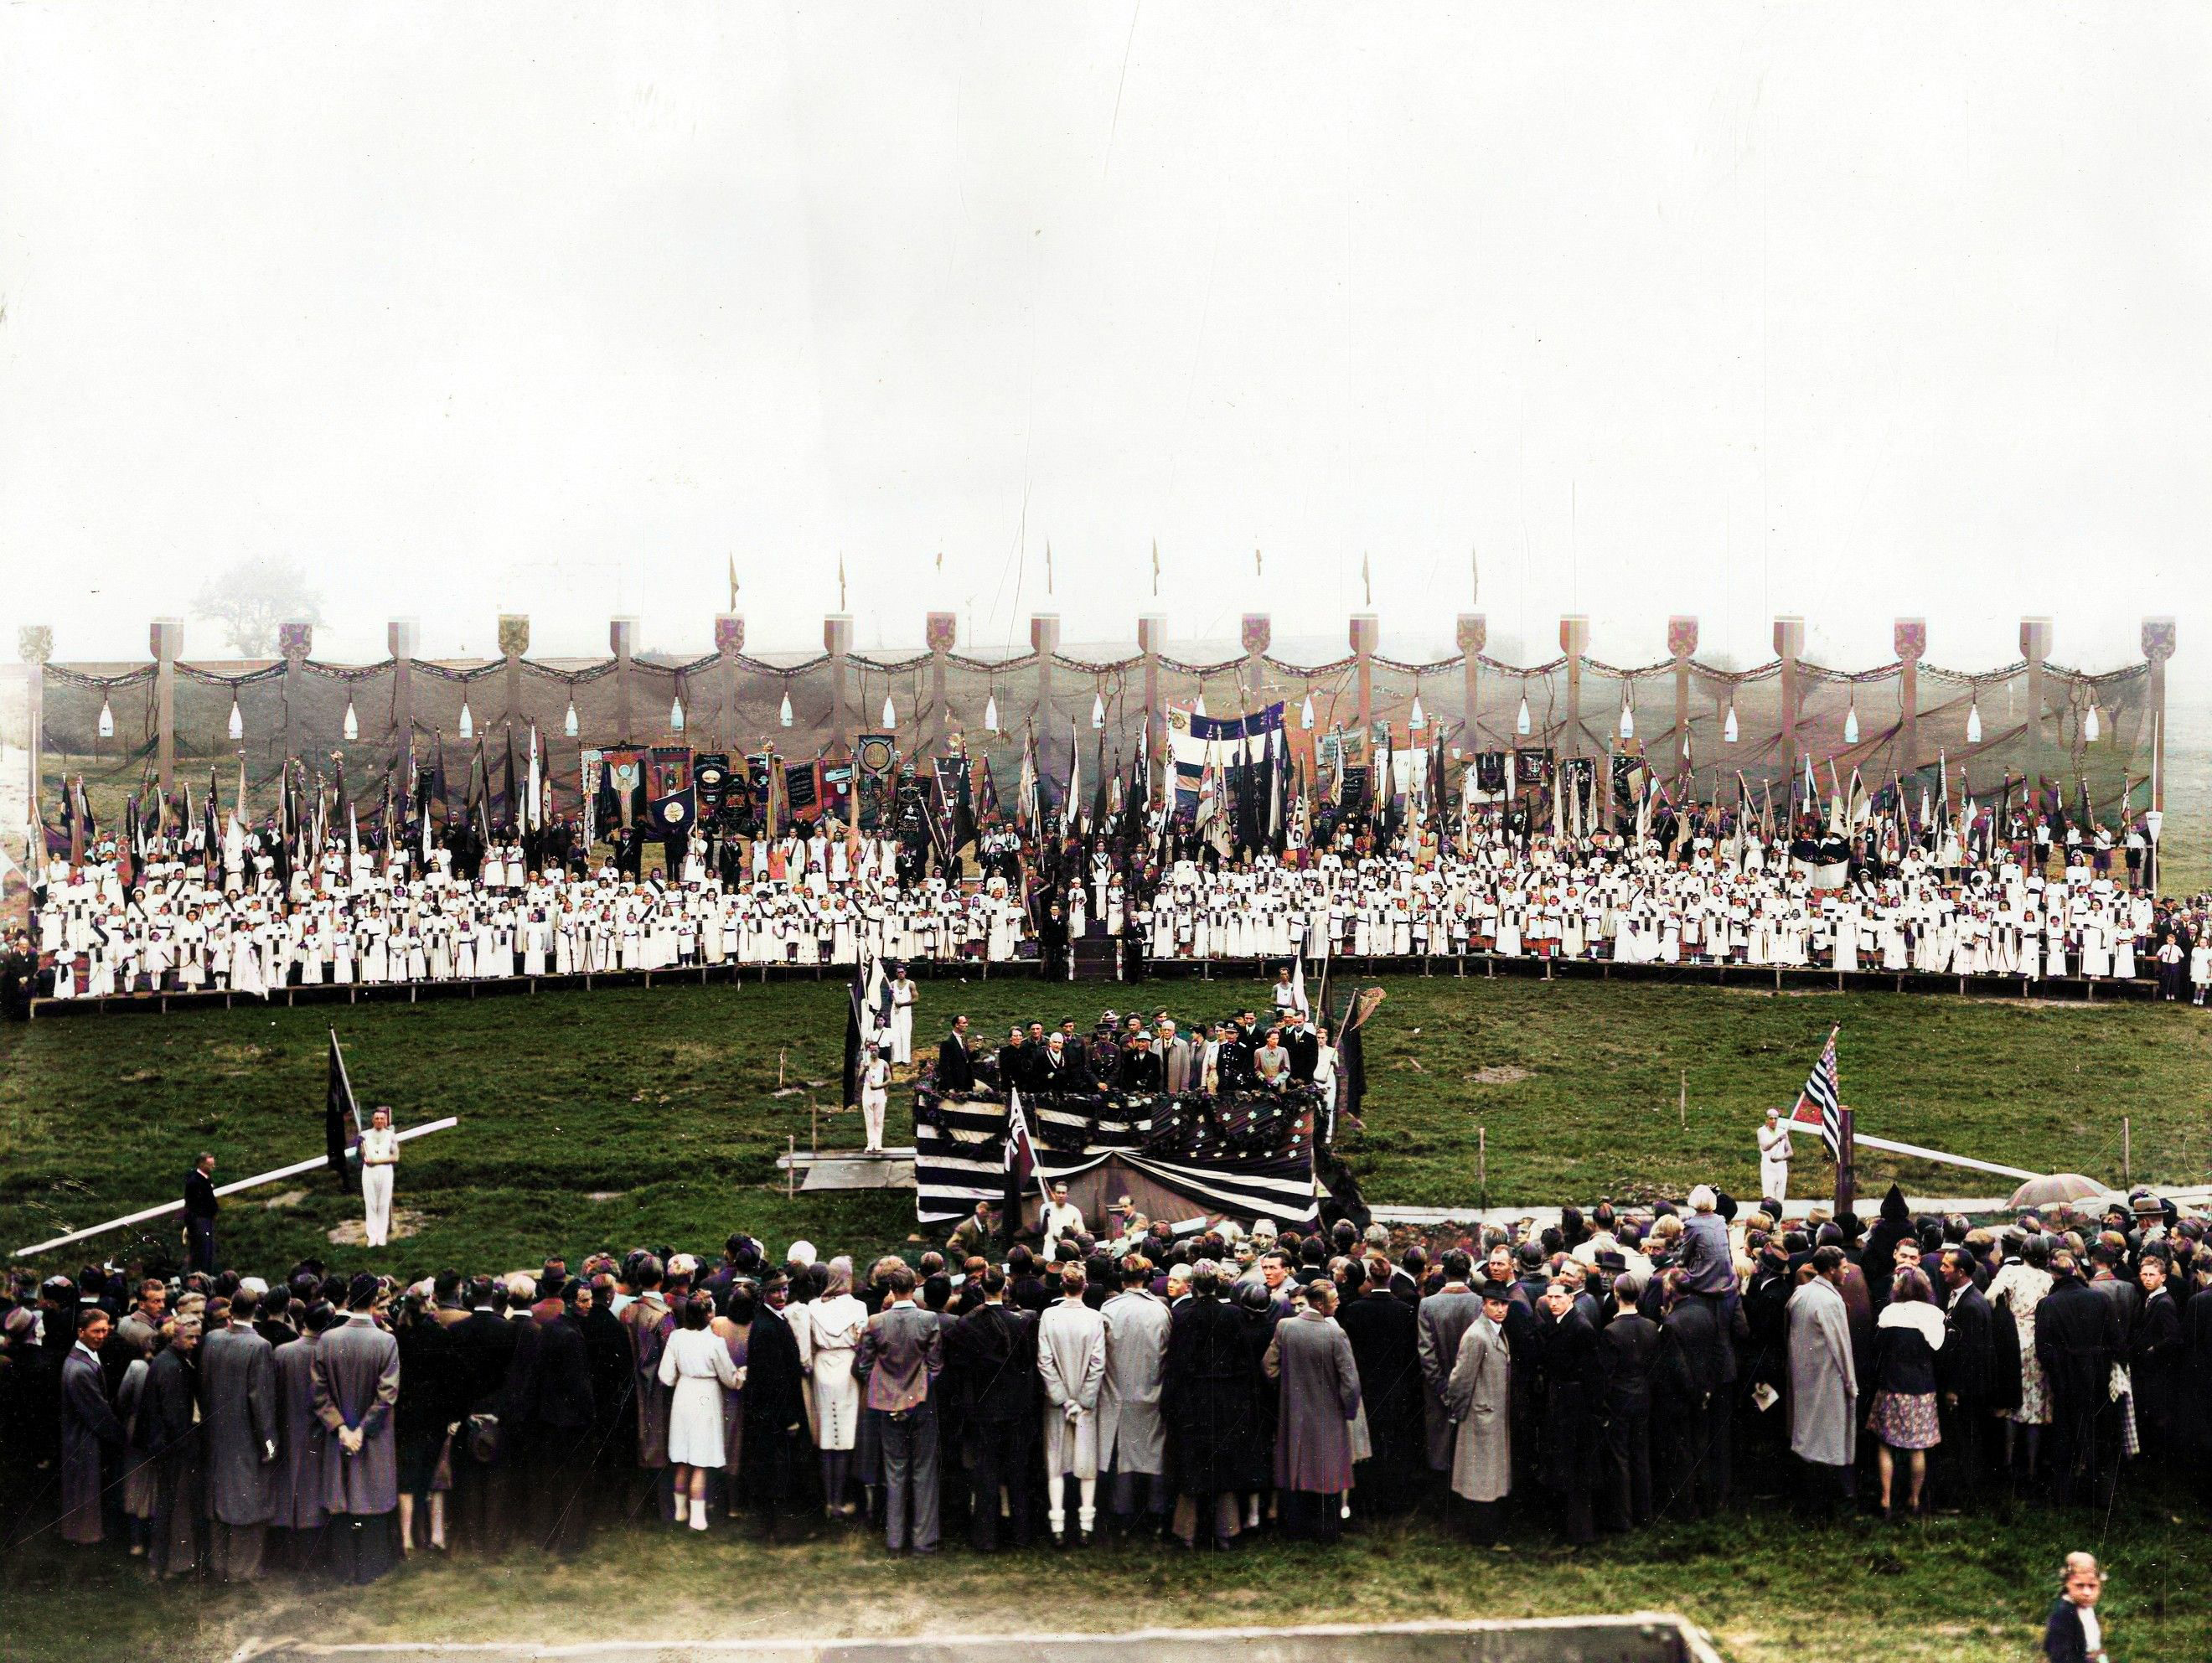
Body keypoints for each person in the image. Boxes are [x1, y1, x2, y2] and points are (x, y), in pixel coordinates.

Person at [314, 1273, 403, 1583]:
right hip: (373, 1437)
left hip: (339, 1435)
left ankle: (343, 1568)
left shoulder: (328, 1340)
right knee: (372, 1498)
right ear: (375, 1300)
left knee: (342, 1499)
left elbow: (319, 1392)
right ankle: (371, 1568)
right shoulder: (386, 1341)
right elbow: (387, 1394)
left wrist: (340, 1428)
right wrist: (362, 1430)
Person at [945, 1265, 1037, 1552]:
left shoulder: (967, 1324)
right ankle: (1021, 1535)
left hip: (984, 1407)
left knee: (986, 1472)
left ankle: (986, 1538)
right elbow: (1029, 1363)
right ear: (1004, 1288)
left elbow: (959, 1367)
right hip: (1016, 1406)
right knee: (1018, 1471)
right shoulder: (1023, 1321)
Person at [1263, 1278, 1362, 1542]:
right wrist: (1348, 1411)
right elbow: (1350, 1382)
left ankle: (1294, 1529)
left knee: (1295, 1470)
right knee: (1328, 1473)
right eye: (1335, 1298)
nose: (1339, 1301)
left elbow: (1269, 1367)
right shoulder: (1335, 1334)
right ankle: (1328, 1531)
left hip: (1293, 1412)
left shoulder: (1285, 1327)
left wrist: (1286, 1388)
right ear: (1319, 1303)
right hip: (1329, 1413)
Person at [856, 1264, 943, 1555]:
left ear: (891, 1290)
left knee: (894, 1471)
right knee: (923, 1470)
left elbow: (864, 1365)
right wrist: (918, 1388)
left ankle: (895, 1540)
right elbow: (935, 1365)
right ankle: (923, 1540)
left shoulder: (876, 1322)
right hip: (921, 1402)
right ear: (914, 1288)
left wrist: (886, 1389)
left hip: (887, 1404)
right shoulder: (928, 1319)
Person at [199, 1288, 278, 1582]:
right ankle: (242, 1569)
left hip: (217, 1433)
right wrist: (269, 1444)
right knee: (248, 1503)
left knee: (219, 1502)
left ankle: (219, 1565)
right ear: (256, 1309)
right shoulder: (259, 1347)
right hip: (246, 1437)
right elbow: (262, 1402)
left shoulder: (212, 1339)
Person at [659, 1289, 743, 1531]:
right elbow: (729, 1377)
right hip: (706, 1397)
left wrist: (681, 1378)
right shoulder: (715, 1343)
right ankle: (697, 1518)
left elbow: (665, 1376)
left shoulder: (676, 1337)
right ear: (707, 1315)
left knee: (683, 1457)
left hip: (683, 1395)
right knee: (700, 1460)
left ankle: (680, 1512)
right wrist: (741, 1376)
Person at [1098, 1257, 1171, 1536]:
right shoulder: (1160, 1311)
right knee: (1152, 1453)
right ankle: (1156, 1516)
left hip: (1118, 1391)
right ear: (1148, 1278)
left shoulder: (1110, 1309)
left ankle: (1123, 1516)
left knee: (1124, 1455)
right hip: (1152, 1389)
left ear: (1122, 1279)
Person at [1036, 1263, 1108, 1543]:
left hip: (1058, 1403)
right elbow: (1098, 1363)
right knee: (1086, 1463)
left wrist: (1062, 1399)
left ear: (1061, 1285)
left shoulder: (1048, 1316)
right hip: (1084, 1402)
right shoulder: (1094, 1318)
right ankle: (1086, 1525)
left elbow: (1045, 1360)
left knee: (1056, 1463)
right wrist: (1083, 1400)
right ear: (1085, 1285)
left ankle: (1058, 1526)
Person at [1868, 1265, 1945, 1519]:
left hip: (1891, 1386)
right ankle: (1914, 1499)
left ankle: (1885, 1499)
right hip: (1922, 1389)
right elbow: (1939, 1350)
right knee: (1918, 1447)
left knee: (1885, 1445)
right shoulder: (1934, 1314)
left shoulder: (1889, 1312)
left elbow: (1877, 1348)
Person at [793, 1258, 868, 1517]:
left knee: (826, 1436)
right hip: (848, 1367)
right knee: (846, 1437)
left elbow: (807, 1346)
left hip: (823, 1367)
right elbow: (862, 1343)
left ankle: (829, 1500)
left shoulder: (813, 1307)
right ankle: (841, 1498)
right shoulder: (859, 1307)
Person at [1786, 1246, 1858, 1511]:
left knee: (1807, 1437)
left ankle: (1807, 1501)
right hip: (1829, 1379)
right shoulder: (1831, 1301)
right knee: (1828, 1443)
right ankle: (1826, 1505)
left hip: (1805, 1376)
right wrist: (1851, 1384)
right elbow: (1842, 1346)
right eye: (1844, 1266)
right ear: (1831, 1270)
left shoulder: (1801, 1293)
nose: (1848, 1270)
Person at [1443, 1278, 1513, 1545]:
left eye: (1504, 1304)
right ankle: (1481, 1537)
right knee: (1481, 1481)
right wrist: (1458, 1412)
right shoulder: (1476, 1335)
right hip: (1480, 1416)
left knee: (1486, 1480)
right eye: (1495, 1304)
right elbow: (1460, 1380)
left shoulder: (1495, 1330)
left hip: (1491, 1415)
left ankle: (1484, 1535)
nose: (1500, 1309)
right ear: (1484, 1305)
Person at [59, 1306, 126, 1547]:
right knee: (85, 1489)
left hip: (83, 1435)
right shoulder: (80, 1369)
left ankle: (82, 1535)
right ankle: (85, 1539)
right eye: (95, 1331)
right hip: (83, 1437)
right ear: (81, 1332)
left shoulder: (84, 1358)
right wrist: (121, 1436)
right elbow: (99, 1414)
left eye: (105, 1331)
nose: (101, 1336)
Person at [2044, 1552, 2110, 1663]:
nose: (2087, 1592)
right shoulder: (2063, 1614)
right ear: (2067, 1583)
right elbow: (2060, 1656)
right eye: (2080, 1585)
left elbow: (2093, 1645)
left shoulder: (2087, 1608)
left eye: (2092, 1586)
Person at [359, 1107, 400, 1248]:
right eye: (376, 1118)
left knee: (383, 1202)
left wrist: (377, 1161)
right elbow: (362, 1154)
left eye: (382, 1118)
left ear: (385, 1120)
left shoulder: (391, 1135)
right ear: (372, 1120)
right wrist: (361, 1148)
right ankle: (372, 1236)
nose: (379, 1121)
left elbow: (395, 1157)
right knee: (370, 1203)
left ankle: (382, 1236)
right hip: (369, 1171)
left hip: (385, 1171)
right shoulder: (364, 1134)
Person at [184, 1152, 220, 1274]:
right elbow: (192, 1205)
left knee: (209, 1252)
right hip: (200, 1221)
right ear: (201, 1164)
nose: (213, 1167)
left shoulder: (205, 1179)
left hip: (206, 1220)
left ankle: (207, 1275)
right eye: (210, 1165)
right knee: (202, 1253)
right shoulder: (195, 1181)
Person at [858, 1044, 890, 1154]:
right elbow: (859, 1079)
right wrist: (864, 1070)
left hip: (879, 1091)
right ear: (869, 1051)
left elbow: (889, 1080)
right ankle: (870, 1143)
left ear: (879, 1051)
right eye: (871, 1050)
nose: (874, 1052)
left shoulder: (883, 1063)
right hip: (868, 1091)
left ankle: (878, 1143)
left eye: (875, 1050)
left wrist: (879, 1086)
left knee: (879, 1119)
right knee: (869, 1118)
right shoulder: (864, 1063)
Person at [1757, 1108, 1791, 1203]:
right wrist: (1778, 1139)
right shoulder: (1761, 1131)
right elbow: (1765, 1147)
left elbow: (1790, 1152)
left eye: (1775, 1118)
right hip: (1768, 1168)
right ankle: (1768, 1217)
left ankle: (1778, 1217)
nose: (1773, 1121)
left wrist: (1780, 1159)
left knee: (1780, 1197)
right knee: (1769, 1197)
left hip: (1781, 1168)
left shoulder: (1782, 1132)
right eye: (1771, 1118)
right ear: (1766, 1119)